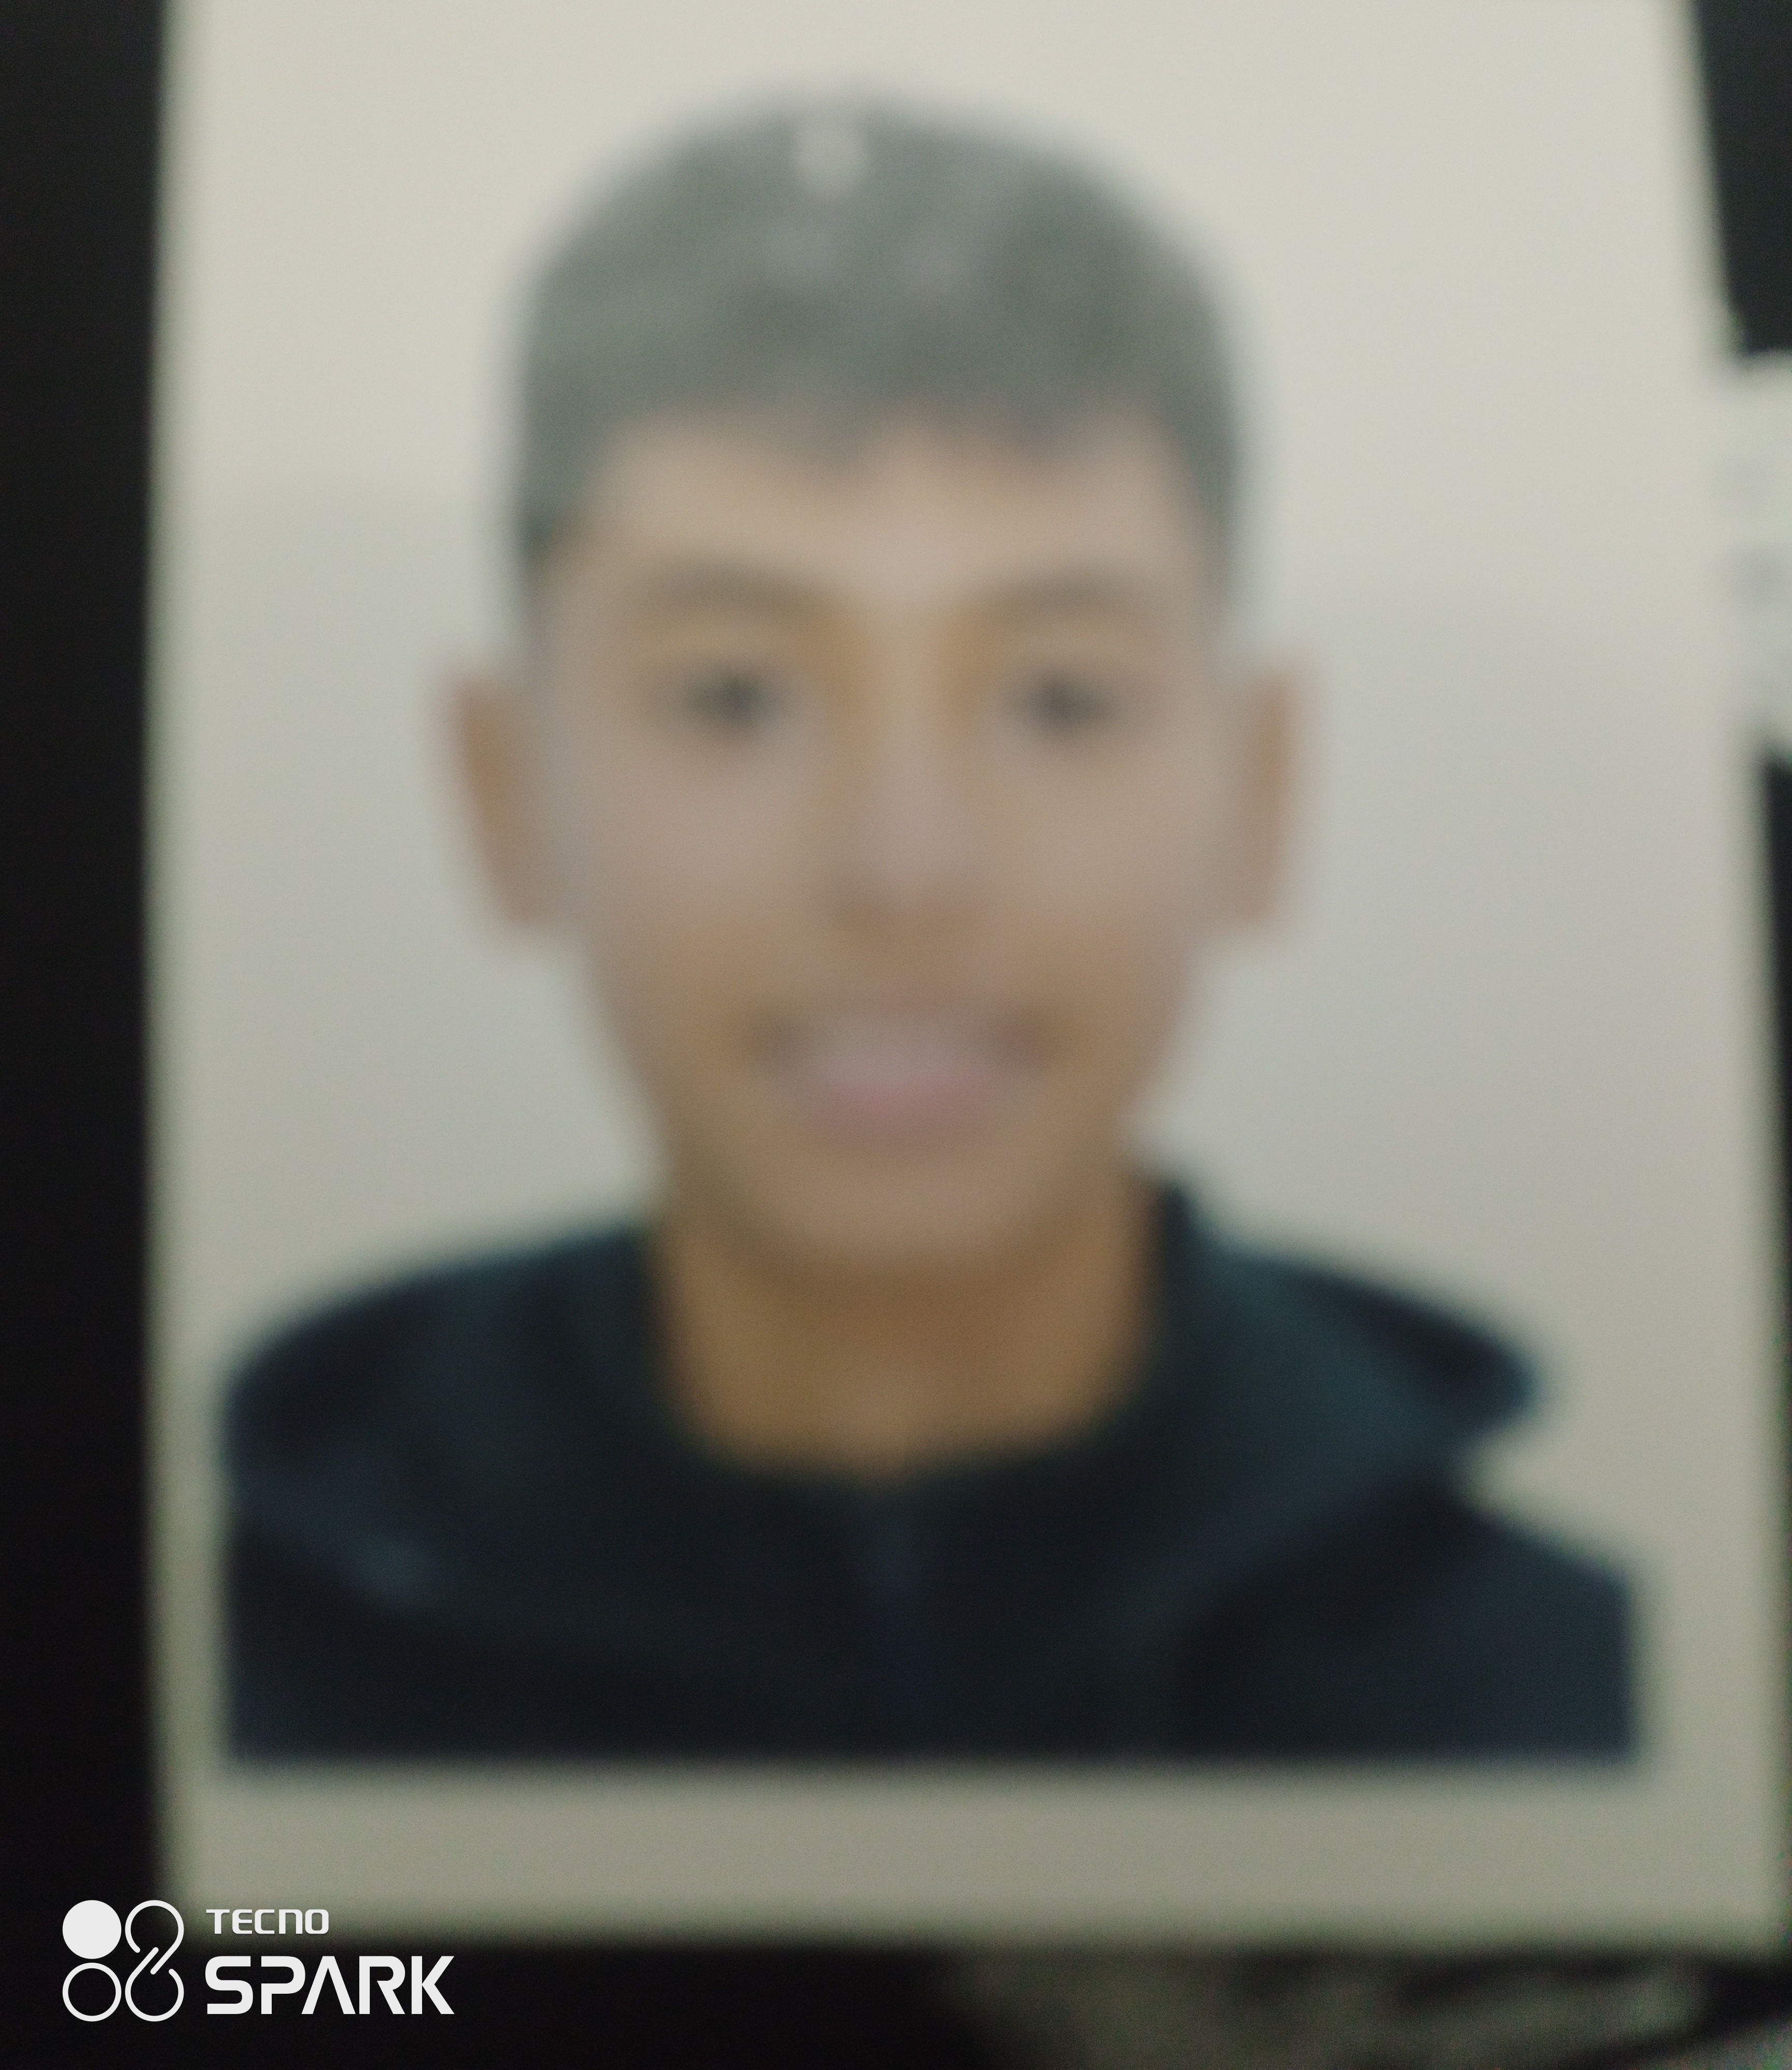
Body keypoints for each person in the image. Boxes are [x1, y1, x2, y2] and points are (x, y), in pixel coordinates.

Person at [224, 100, 1633, 1761]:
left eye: (1061, 699)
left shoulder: (1575, 1710)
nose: (908, 868)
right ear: (503, 784)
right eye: (735, 696)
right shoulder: (187, 1695)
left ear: (1261, 787)